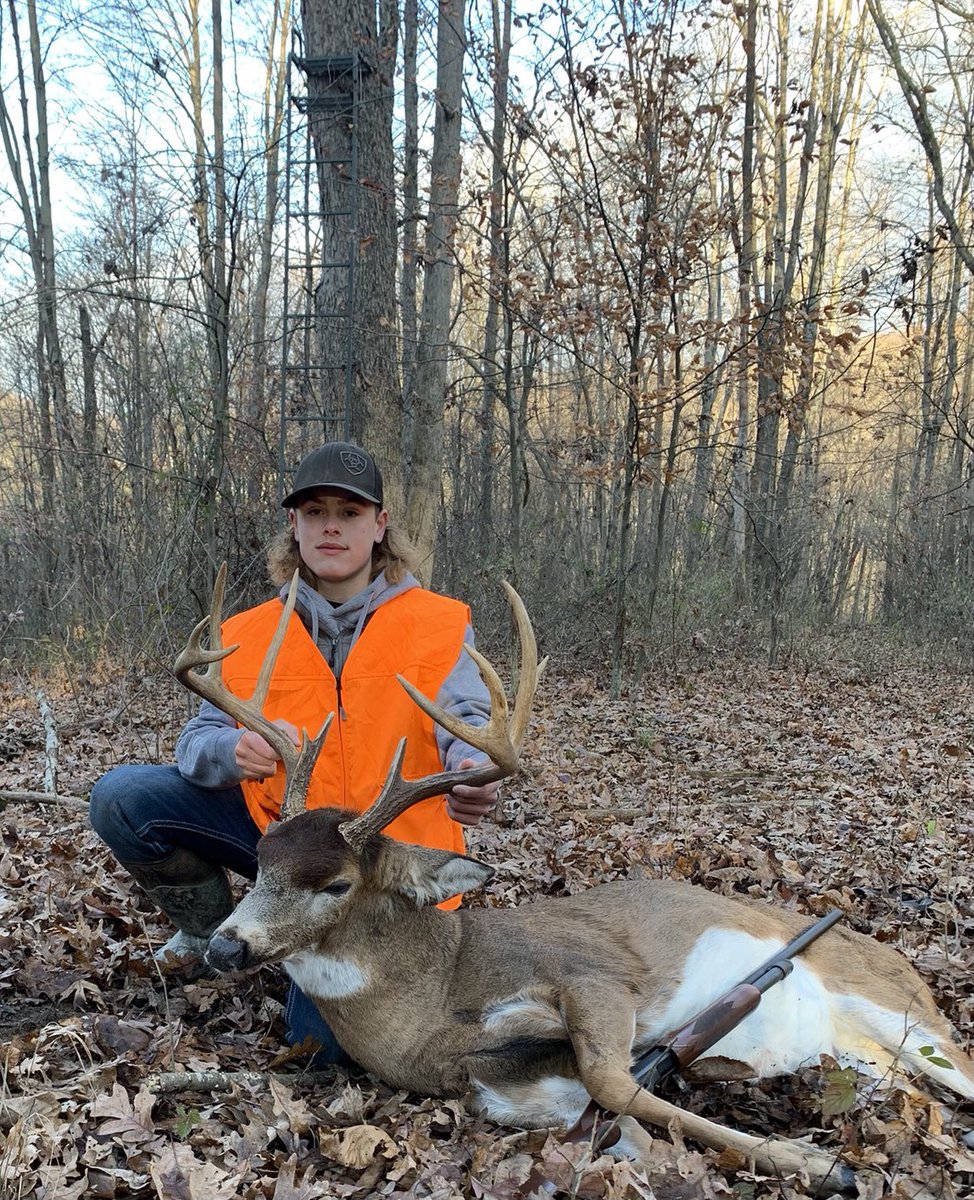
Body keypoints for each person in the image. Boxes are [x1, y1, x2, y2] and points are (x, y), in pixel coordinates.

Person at [88, 441, 499, 1063]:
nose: (331, 525)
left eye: (350, 512)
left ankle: (293, 935)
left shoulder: (437, 623)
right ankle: (209, 929)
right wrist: (232, 748)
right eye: (314, 512)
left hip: (374, 868)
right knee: (122, 798)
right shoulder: (250, 631)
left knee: (321, 1052)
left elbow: (466, 719)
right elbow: (195, 747)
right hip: (278, 843)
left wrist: (470, 769)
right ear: (294, 526)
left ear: (380, 525)